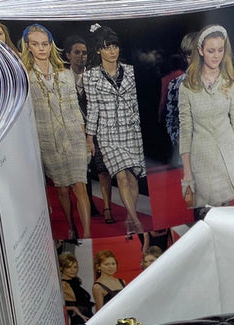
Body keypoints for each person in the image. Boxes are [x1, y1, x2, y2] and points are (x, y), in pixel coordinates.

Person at [21, 23, 91, 240]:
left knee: (80, 185)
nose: (41, 48)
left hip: (74, 135)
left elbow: (75, 108)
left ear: (51, 45)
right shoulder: (25, 76)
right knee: (62, 188)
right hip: (47, 139)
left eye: (45, 44)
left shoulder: (66, 74)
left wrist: (85, 138)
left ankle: (88, 234)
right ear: (28, 46)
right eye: (35, 44)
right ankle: (71, 227)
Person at [179, 24, 234, 215]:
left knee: (226, 213)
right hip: (201, 158)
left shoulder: (231, 79)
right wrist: (187, 173)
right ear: (200, 50)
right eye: (211, 51)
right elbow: (185, 130)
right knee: (206, 215)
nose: (216, 56)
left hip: (228, 156)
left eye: (220, 50)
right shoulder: (187, 86)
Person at [84, 25, 146, 235]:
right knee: (121, 175)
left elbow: (137, 102)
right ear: (98, 50)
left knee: (132, 178)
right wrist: (90, 138)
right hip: (108, 133)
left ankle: (130, 216)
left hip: (132, 132)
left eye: (115, 46)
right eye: (107, 47)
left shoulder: (131, 71)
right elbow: (93, 108)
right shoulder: (90, 76)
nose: (112, 51)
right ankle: (136, 222)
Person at [63, 33, 114, 224]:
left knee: (103, 169)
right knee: (83, 172)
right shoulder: (63, 78)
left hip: (97, 130)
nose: (81, 56)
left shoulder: (94, 76)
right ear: (68, 55)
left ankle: (107, 208)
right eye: (76, 52)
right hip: (75, 131)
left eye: (84, 53)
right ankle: (90, 204)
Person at [164, 32, 197, 166]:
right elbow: (171, 119)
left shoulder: (216, 83)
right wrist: (178, 140)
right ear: (184, 57)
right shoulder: (175, 84)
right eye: (190, 56)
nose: (194, 60)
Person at [59, 251, 93, 325]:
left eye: (75, 267)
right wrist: (73, 308)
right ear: (61, 268)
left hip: (88, 320)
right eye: (68, 267)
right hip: (79, 323)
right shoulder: (63, 285)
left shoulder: (75, 281)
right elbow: (56, 306)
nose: (73, 270)